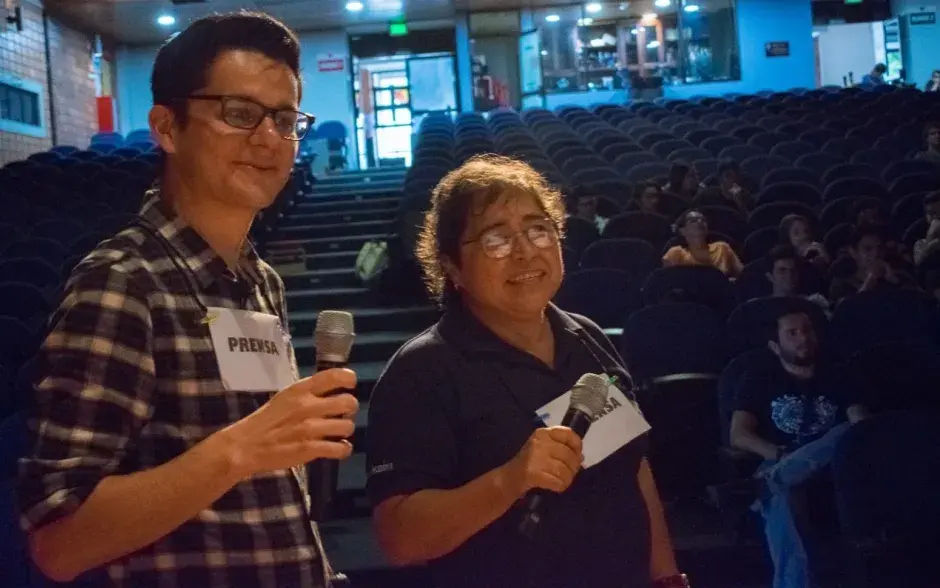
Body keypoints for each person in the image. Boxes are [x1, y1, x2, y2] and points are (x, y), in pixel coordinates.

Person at [16, 13, 359, 587]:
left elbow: (264, 489)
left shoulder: (261, 282)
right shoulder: (123, 284)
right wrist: (240, 448)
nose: (270, 139)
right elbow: (59, 541)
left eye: (284, 118)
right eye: (240, 114)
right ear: (167, 127)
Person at [365, 155, 687, 588]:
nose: (525, 250)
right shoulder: (421, 370)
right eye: (496, 239)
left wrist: (666, 577)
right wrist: (509, 480)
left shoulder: (587, 336)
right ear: (452, 267)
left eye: (538, 229)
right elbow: (399, 538)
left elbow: (633, 467)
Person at [731, 307, 868, 588]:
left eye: (807, 330)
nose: (803, 338)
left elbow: (862, 428)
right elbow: (739, 435)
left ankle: (771, 482)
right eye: (792, 333)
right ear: (774, 344)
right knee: (782, 490)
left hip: (833, 464)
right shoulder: (758, 378)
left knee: (843, 433)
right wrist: (781, 456)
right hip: (778, 456)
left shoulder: (840, 374)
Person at [828, 225, 914, 305]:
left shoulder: (900, 276)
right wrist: (870, 281)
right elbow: (844, 312)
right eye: (868, 249)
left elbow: (917, 303)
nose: (875, 253)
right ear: (853, 252)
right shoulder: (841, 285)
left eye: (879, 248)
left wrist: (895, 281)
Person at [663, 209, 743, 277]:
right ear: (682, 231)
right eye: (693, 221)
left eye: (703, 220)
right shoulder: (675, 253)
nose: (700, 222)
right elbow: (668, 282)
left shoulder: (722, 248)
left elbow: (743, 275)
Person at [765, 245, 829, 314]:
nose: (789, 275)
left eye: (793, 270)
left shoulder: (813, 303)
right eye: (782, 270)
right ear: (770, 276)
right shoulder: (759, 307)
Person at [913, 191, 940, 266]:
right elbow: (918, 263)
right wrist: (931, 236)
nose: (937, 217)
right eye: (932, 214)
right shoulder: (920, 244)